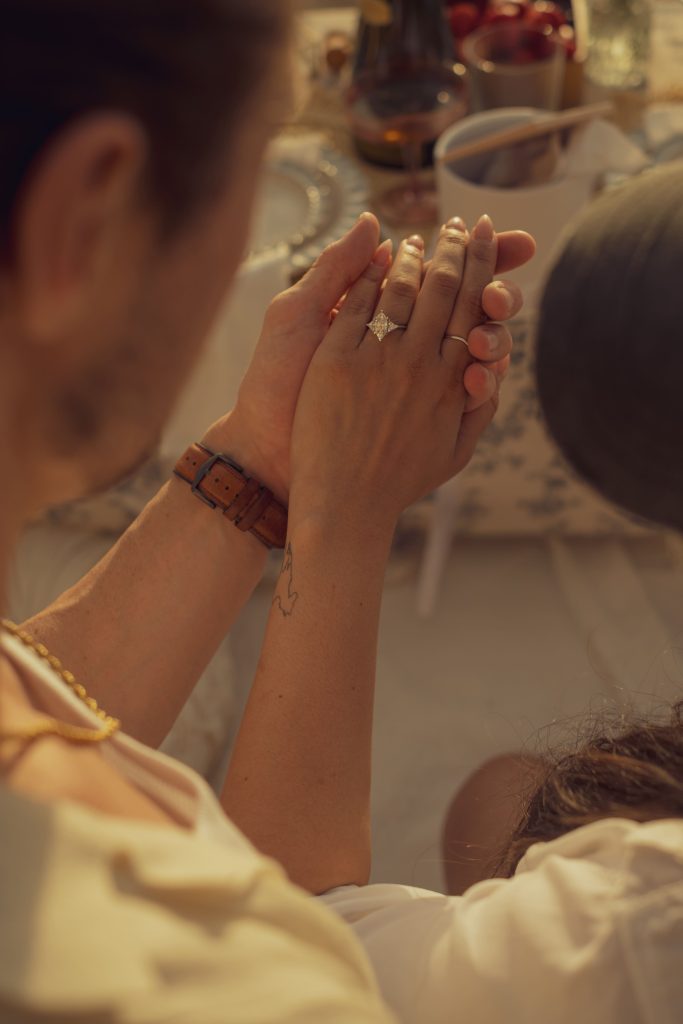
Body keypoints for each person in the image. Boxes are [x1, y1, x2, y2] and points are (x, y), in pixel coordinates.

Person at [0, 1, 536, 1020]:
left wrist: (262, 460)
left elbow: (23, 715)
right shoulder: (231, 984)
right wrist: (345, 514)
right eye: (257, 165)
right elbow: (315, 930)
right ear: (88, 215)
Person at [292, 165, 682, 1024]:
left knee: (500, 801)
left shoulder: (635, 926)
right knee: (502, 792)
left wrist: (343, 505)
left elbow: (289, 936)